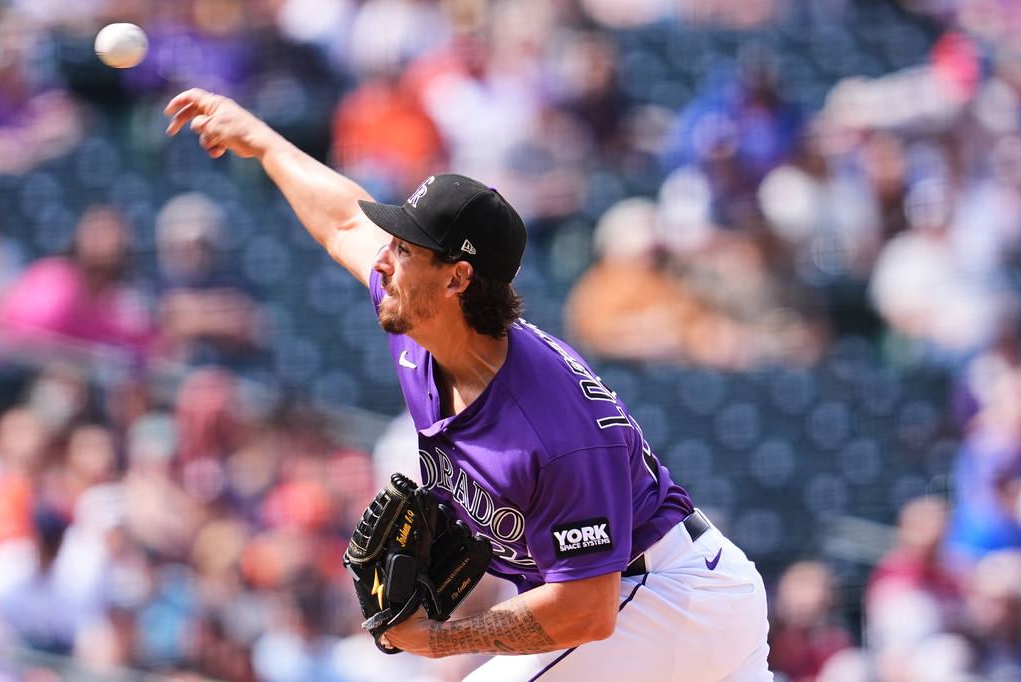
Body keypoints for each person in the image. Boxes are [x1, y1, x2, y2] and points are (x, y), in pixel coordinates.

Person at [164, 87, 774, 682]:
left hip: (662, 594)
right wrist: (264, 142)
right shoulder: (422, 320)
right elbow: (346, 220)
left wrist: (441, 641)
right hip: (675, 598)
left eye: (403, 248)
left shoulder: (549, 427)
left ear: (457, 278)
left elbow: (586, 610)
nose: (383, 259)